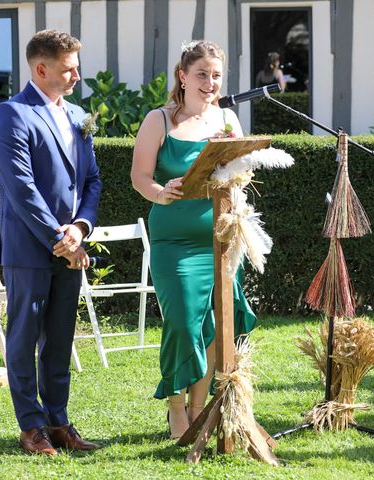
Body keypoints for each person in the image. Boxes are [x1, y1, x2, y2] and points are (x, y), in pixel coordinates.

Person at [131, 40, 257, 440]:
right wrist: (158, 192)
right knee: (184, 324)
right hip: (175, 244)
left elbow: (241, 175)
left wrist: (238, 197)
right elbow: (139, 177)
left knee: (217, 326)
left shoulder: (227, 122)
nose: (210, 83)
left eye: (217, 75)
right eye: (202, 74)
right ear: (183, 76)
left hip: (219, 240)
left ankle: (197, 408)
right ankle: (174, 407)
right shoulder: (160, 121)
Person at [0, 29, 102, 456]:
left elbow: (91, 180)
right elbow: (22, 189)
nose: (76, 76)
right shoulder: (11, 113)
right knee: (23, 338)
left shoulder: (77, 115)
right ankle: (30, 426)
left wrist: (81, 227)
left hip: (69, 245)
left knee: (59, 339)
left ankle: (58, 421)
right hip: (29, 249)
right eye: (68, 68)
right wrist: (62, 240)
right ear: (41, 69)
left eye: (76, 66)